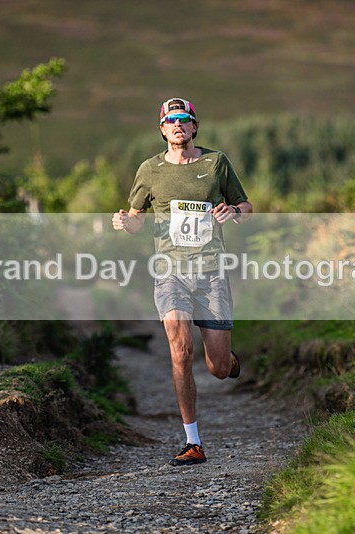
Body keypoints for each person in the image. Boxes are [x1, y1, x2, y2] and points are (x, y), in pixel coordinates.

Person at [112, 97, 252, 466]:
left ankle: (229, 360)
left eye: (183, 119)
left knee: (217, 368)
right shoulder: (150, 169)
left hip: (211, 273)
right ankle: (193, 441)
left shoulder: (216, 162)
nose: (177, 125)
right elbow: (137, 217)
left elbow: (246, 207)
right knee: (180, 349)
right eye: (170, 120)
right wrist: (127, 223)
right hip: (169, 271)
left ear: (194, 127)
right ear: (162, 130)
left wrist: (233, 210)